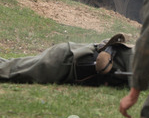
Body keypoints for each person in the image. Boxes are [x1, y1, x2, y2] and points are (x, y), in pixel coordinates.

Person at [0, 34, 133, 87]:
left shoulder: (139, 73)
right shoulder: (135, 57)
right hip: (66, 60)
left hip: (70, 67)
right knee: (13, 71)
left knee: (16, 66)